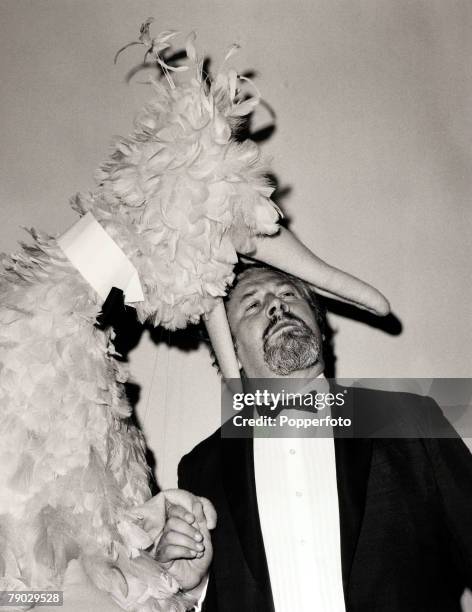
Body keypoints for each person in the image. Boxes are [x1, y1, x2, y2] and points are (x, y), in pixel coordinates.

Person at [158, 265, 472, 611]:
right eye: (252, 305)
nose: (277, 306)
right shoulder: (202, 467)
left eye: (288, 294)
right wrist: (195, 589)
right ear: (230, 351)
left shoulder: (409, 420)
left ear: (320, 330)